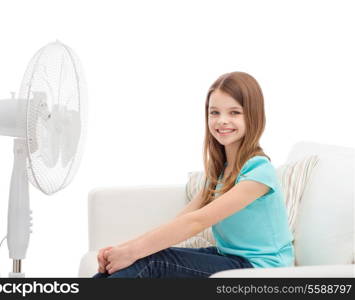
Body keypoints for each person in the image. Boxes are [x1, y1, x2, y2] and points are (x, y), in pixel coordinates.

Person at [92, 71, 294, 278]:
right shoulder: (220, 171)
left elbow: (196, 222)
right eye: (214, 113)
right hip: (230, 258)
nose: (222, 121)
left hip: (260, 269)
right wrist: (120, 251)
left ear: (253, 116)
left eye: (234, 112)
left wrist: (131, 252)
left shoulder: (259, 172)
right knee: (139, 260)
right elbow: (183, 218)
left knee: (151, 262)